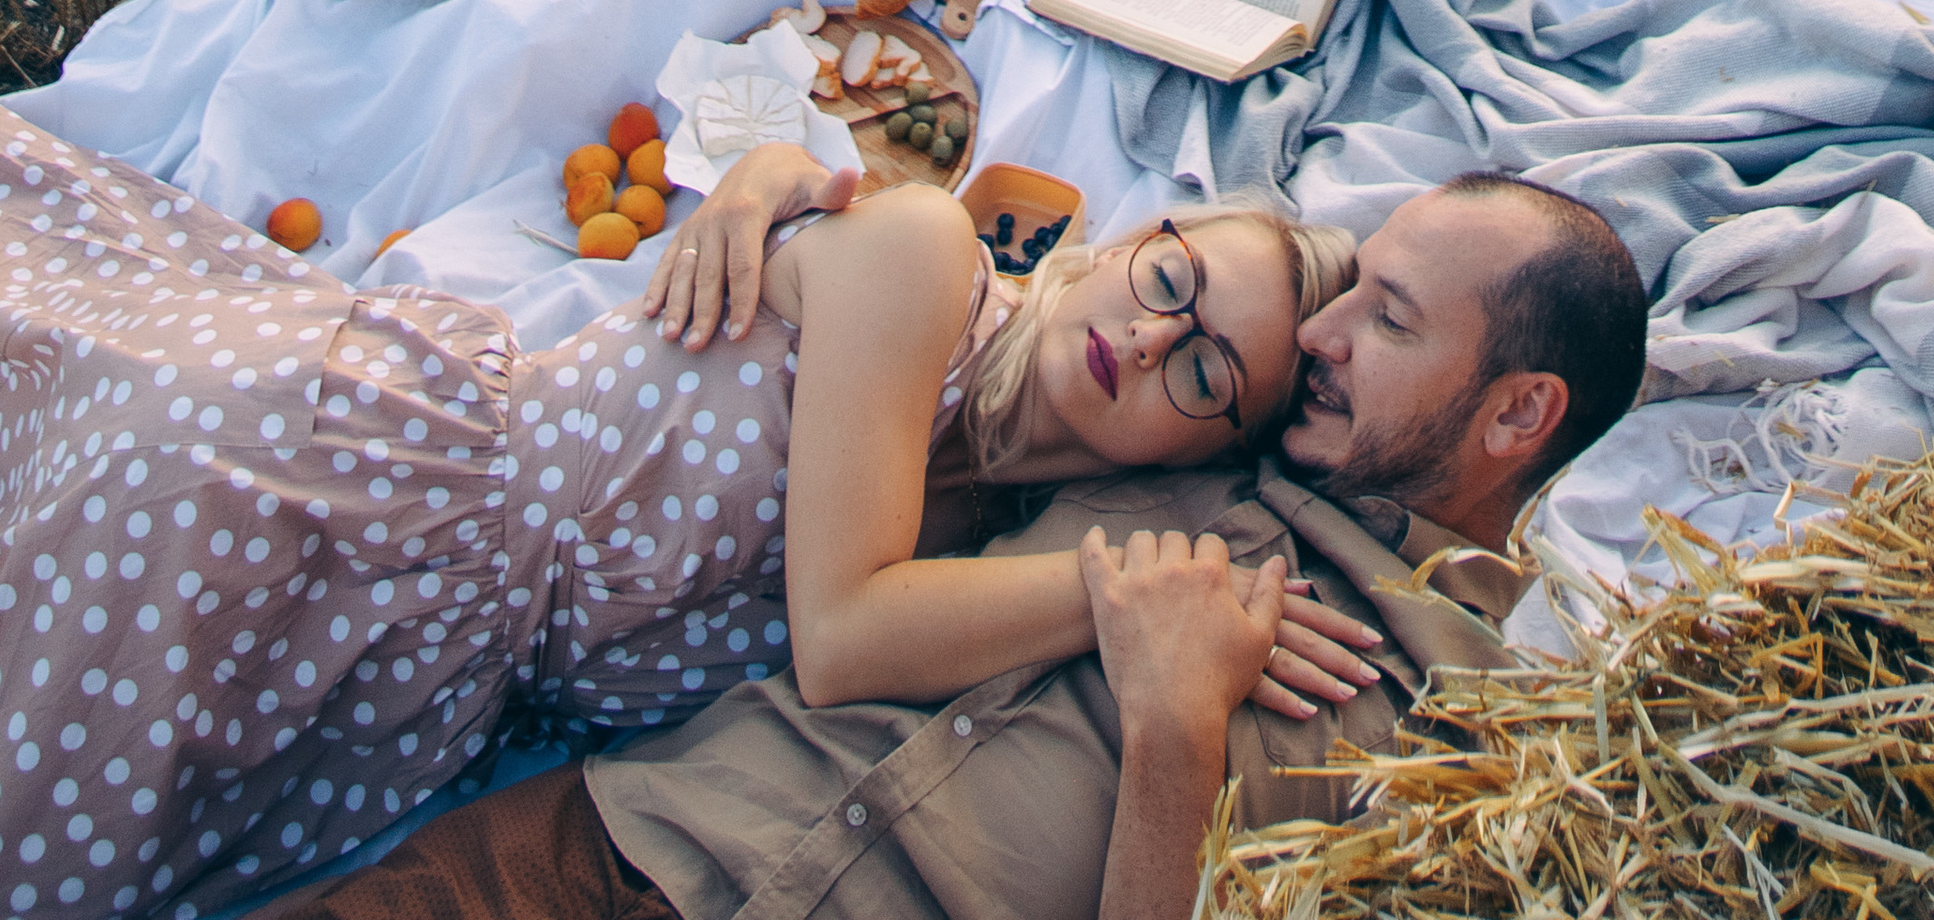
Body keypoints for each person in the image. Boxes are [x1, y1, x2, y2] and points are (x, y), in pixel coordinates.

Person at [0, 111, 1372, 920]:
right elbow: (837, 636)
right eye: (1172, 282)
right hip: (314, 495)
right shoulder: (928, 261)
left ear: (1203, 450)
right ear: (1128, 247)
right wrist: (1125, 591)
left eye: (1207, 372)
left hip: (402, 680)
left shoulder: (974, 542)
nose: (1148, 339)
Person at [253, 171, 1653, 920]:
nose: (1326, 337)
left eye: (1389, 322)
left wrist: (1175, 733)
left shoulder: (1451, 732)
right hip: (608, 858)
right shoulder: (1209, 422)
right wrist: (774, 194)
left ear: (1518, 414)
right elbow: (1006, 360)